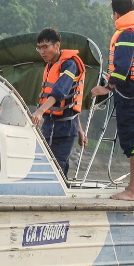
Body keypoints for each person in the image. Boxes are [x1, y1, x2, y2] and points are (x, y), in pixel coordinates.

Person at [91, 0, 134, 201]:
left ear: (116, 14)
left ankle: (132, 191)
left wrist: (107, 87)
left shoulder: (127, 33)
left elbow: (122, 68)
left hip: (130, 96)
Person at [29, 28, 88, 177]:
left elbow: (61, 91)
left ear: (57, 45)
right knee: (43, 163)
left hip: (65, 127)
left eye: (45, 47)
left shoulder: (70, 64)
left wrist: (40, 111)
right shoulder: (50, 66)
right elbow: (70, 102)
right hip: (50, 125)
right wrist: (81, 130)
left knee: (57, 166)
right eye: (39, 48)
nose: (42, 51)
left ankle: (59, 196)